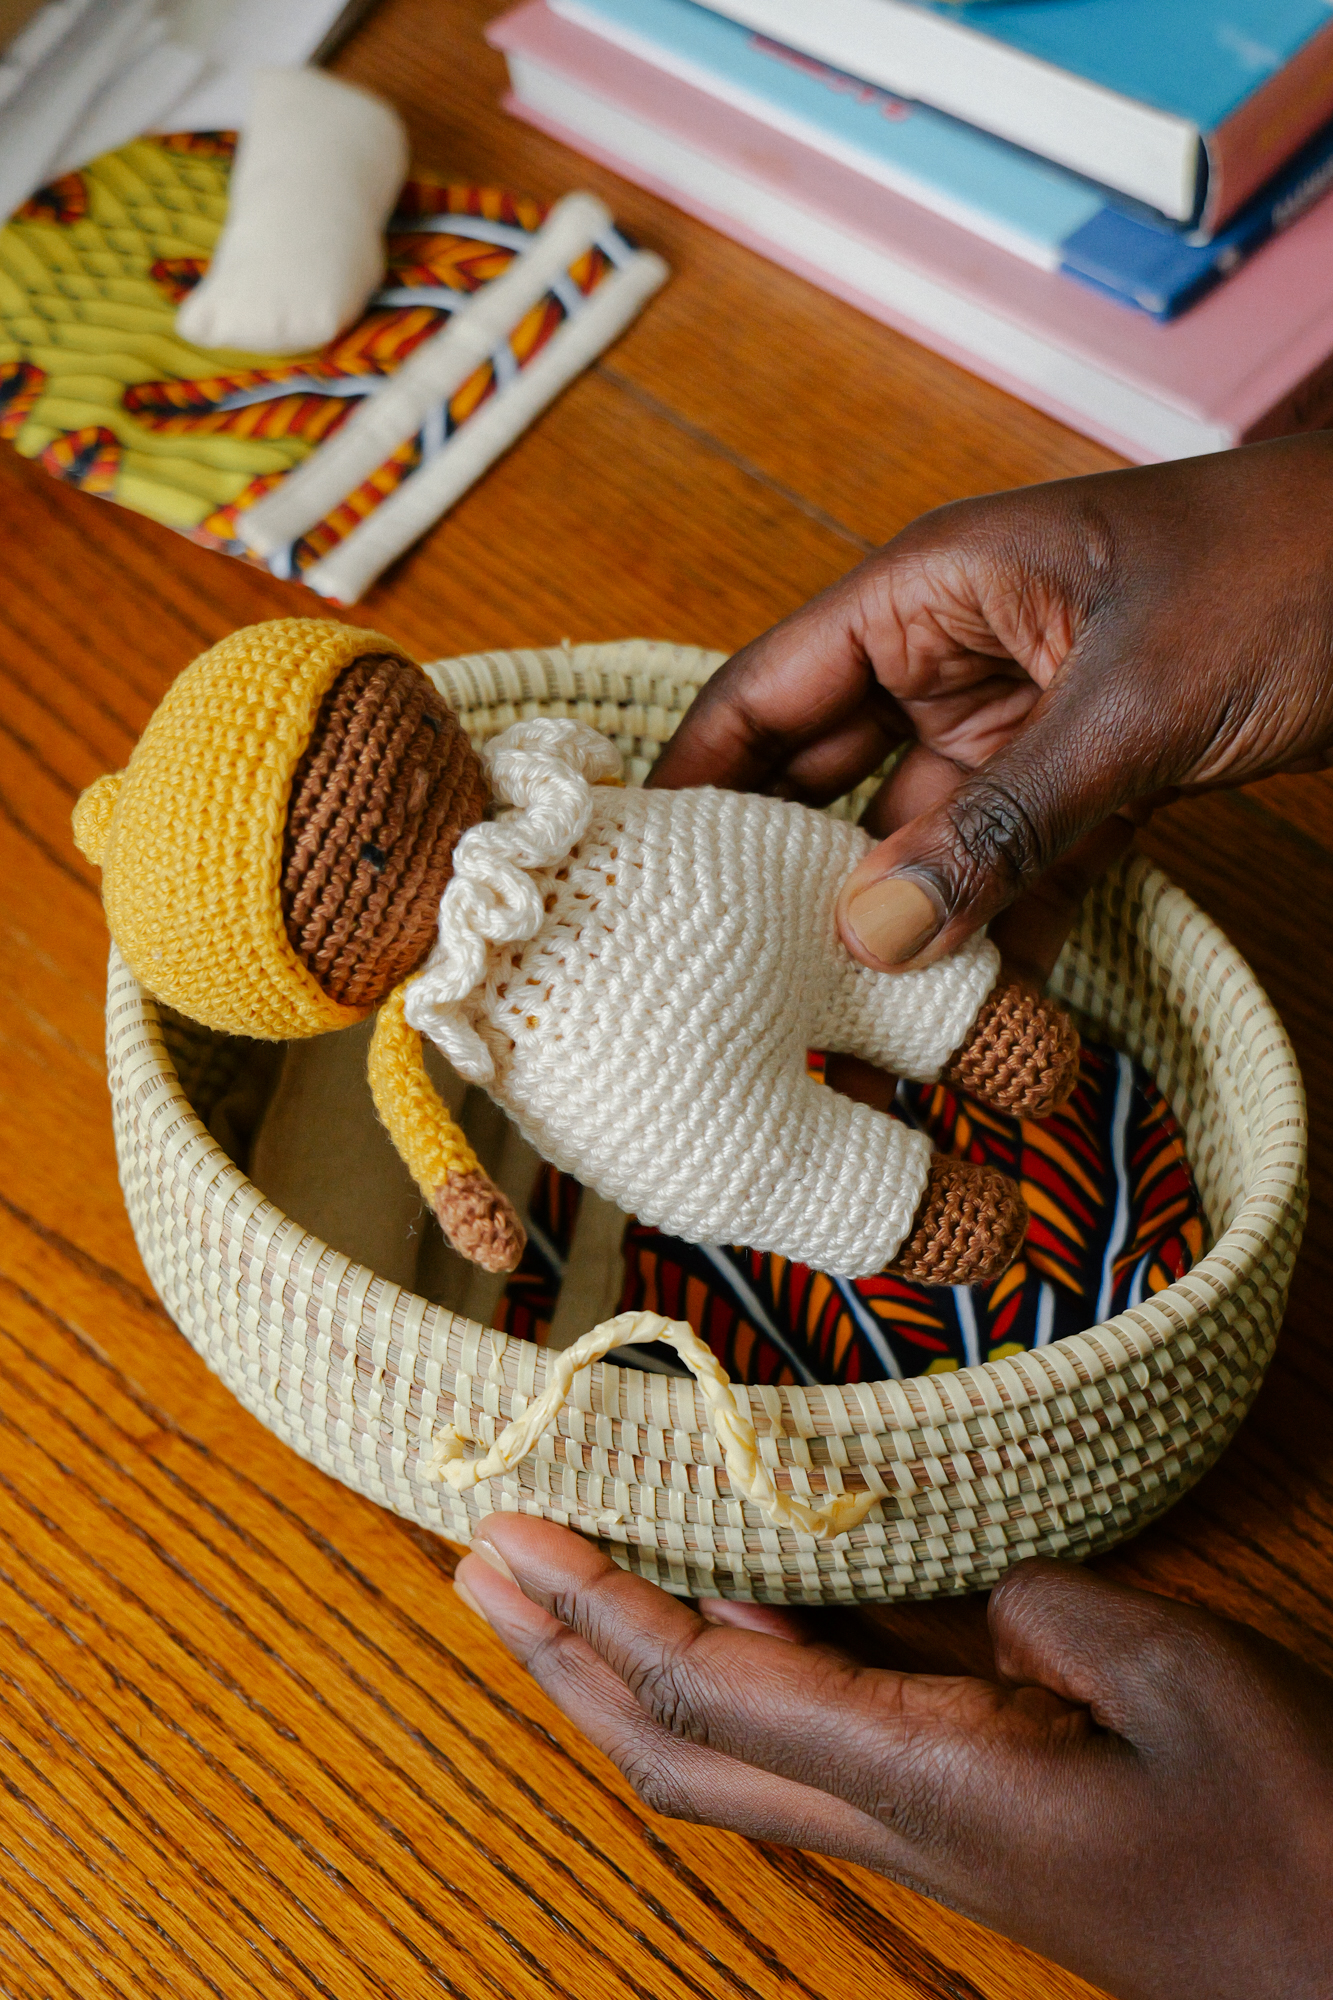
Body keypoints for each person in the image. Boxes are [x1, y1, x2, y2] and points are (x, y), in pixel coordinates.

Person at [450, 434, 1333, 2000]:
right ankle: (919, 1195)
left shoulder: (562, 803)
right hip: (760, 1069)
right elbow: (426, 1122)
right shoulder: (444, 1016)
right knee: (830, 1167)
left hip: (799, 913)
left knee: (924, 990)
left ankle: (958, 1096)